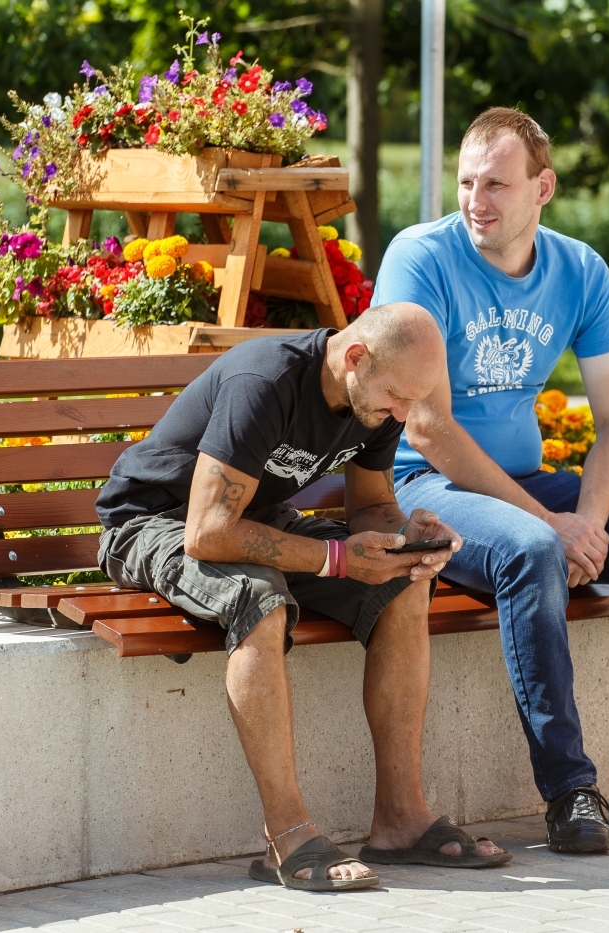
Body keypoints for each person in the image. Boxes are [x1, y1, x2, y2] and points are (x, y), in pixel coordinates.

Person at [372, 107, 609, 855]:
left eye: (497, 184)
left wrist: (589, 520)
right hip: (422, 485)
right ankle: (570, 789)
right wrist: (551, 523)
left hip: (528, 483)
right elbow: (426, 429)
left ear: (543, 187)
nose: (477, 199)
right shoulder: (421, 258)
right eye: (468, 181)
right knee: (533, 548)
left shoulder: (581, 270)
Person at [94, 306, 511, 891]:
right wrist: (337, 559)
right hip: (153, 523)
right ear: (356, 357)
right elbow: (207, 532)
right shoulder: (263, 383)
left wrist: (404, 538)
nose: (401, 414)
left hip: (257, 519)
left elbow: (369, 506)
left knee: (403, 587)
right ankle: (286, 837)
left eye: (410, 402)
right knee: (258, 599)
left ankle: (400, 820)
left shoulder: (382, 397)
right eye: (395, 396)